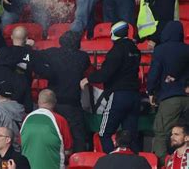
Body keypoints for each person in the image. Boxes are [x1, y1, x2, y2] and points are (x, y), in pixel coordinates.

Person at [80, 21, 141, 153]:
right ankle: (134, 162)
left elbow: (105, 73)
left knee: (104, 133)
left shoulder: (117, 50)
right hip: (135, 96)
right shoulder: (135, 49)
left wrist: (88, 79)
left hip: (119, 95)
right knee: (131, 137)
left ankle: (113, 161)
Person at [37, 30, 91, 152]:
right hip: (72, 103)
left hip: (53, 102)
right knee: (78, 136)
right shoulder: (83, 57)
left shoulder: (51, 53)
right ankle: (78, 161)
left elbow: (36, 56)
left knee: (52, 131)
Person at [146, 21, 189, 165]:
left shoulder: (160, 50)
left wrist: (151, 91)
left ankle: (165, 164)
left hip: (169, 98)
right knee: (185, 133)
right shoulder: (187, 49)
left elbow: (154, 73)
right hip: (187, 97)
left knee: (161, 133)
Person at [20, 89, 73, 169]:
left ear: (38, 101)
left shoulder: (26, 119)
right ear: (54, 102)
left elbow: (21, 143)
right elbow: (68, 149)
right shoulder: (60, 120)